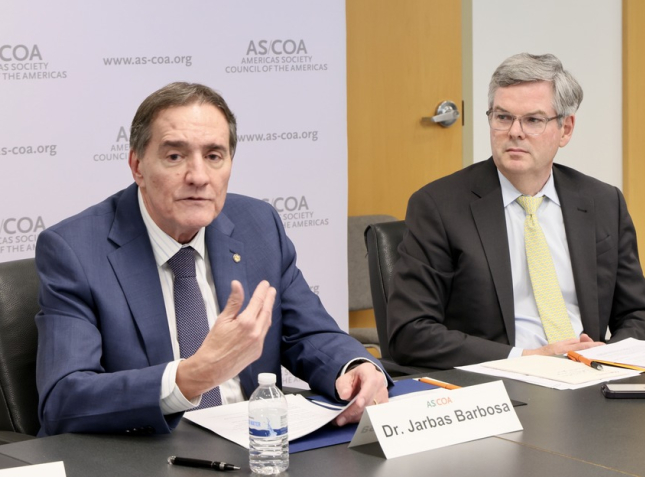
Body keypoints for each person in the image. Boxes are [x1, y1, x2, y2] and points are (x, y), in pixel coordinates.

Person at [35, 83, 389, 436]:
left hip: (257, 449)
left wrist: (354, 366)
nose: (199, 177)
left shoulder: (258, 226)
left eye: (214, 156)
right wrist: (191, 377)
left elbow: (309, 335)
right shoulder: (75, 250)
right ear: (137, 166)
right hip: (146, 453)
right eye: (175, 156)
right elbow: (64, 400)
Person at [387, 52, 645, 369]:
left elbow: (639, 315)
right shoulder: (439, 207)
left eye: (533, 120)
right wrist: (527, 359)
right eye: (503, 117)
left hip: (589, 380)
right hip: (499, 388)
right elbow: (410, 332)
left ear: (565, 129)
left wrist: (606, 357)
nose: (514, 132)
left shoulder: (602, 201)